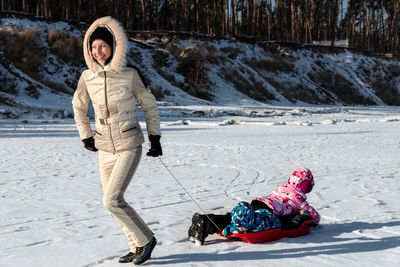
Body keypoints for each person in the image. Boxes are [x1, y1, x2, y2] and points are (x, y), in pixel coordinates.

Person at [72, 16, 162, 265]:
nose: (97, 51)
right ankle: (135, 246)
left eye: (102, 46)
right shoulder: (87, 76)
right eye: (93, 47)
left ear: (113, 46)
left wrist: (154, 137)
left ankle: (146, 241)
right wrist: (86, 135)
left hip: (128, 142)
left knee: (112, 199)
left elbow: (149, 105)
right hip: (103, 145)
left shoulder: (130, 74)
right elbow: (78, 106)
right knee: (112, 202)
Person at [188, 167, 320, 245]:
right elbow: (312, 214)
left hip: (261, 202)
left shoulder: (282, 188)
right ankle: (238, 225)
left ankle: (208, 221)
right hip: (271, 210)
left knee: (237, 217)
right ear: (305, 186)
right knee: (258, 221)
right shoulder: (299, 199)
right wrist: (313, 219)